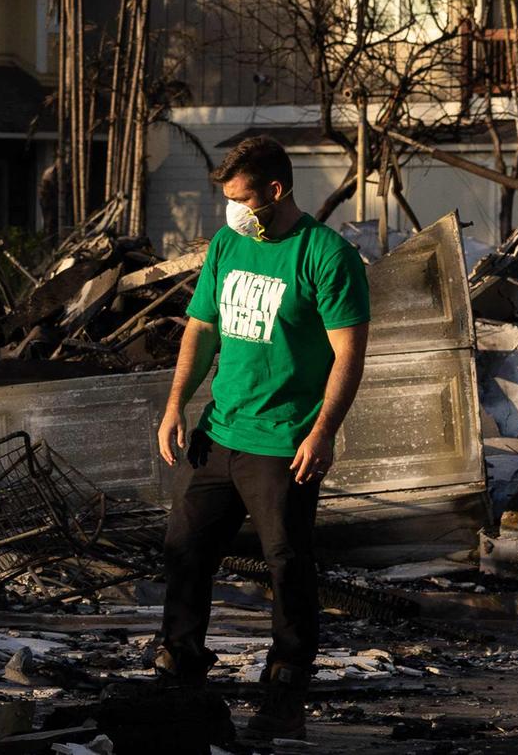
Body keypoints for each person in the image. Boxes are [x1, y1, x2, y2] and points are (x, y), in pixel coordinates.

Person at [152, 135, 370, 742]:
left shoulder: (326, 255)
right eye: (228, 199)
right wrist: (177, 406)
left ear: (275, 191)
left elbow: (348, 355)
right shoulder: (228, 244)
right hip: (219, 430)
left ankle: (284, 688)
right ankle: (181, 669)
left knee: (287, 565)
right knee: (184, 550)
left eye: (242, 199)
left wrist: (323, 431)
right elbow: (200, 330)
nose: (233, 211)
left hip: (284, 441)